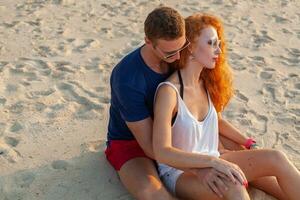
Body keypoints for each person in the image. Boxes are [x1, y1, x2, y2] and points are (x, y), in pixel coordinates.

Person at [153, 13, 300, 200]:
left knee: (276, 158)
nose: (218, 51)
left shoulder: (203, 83)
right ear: (190, 47)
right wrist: (211, 162)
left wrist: (247, 143)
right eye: (211, 43)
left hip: (215, 160)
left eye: (218, 44)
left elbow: (218, 122)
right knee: (235, 185)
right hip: (181, 173)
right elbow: (161, 151)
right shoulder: (169, 92)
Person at [105, 6, 189, 199]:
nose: (177, 57)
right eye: (169, 53)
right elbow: (152, 148)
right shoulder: (126, 78)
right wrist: (200, 163)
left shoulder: (179, 51)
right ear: (148, 42)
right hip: (132, 143)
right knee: (152, 193)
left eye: (181, 47)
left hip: (177, 128)